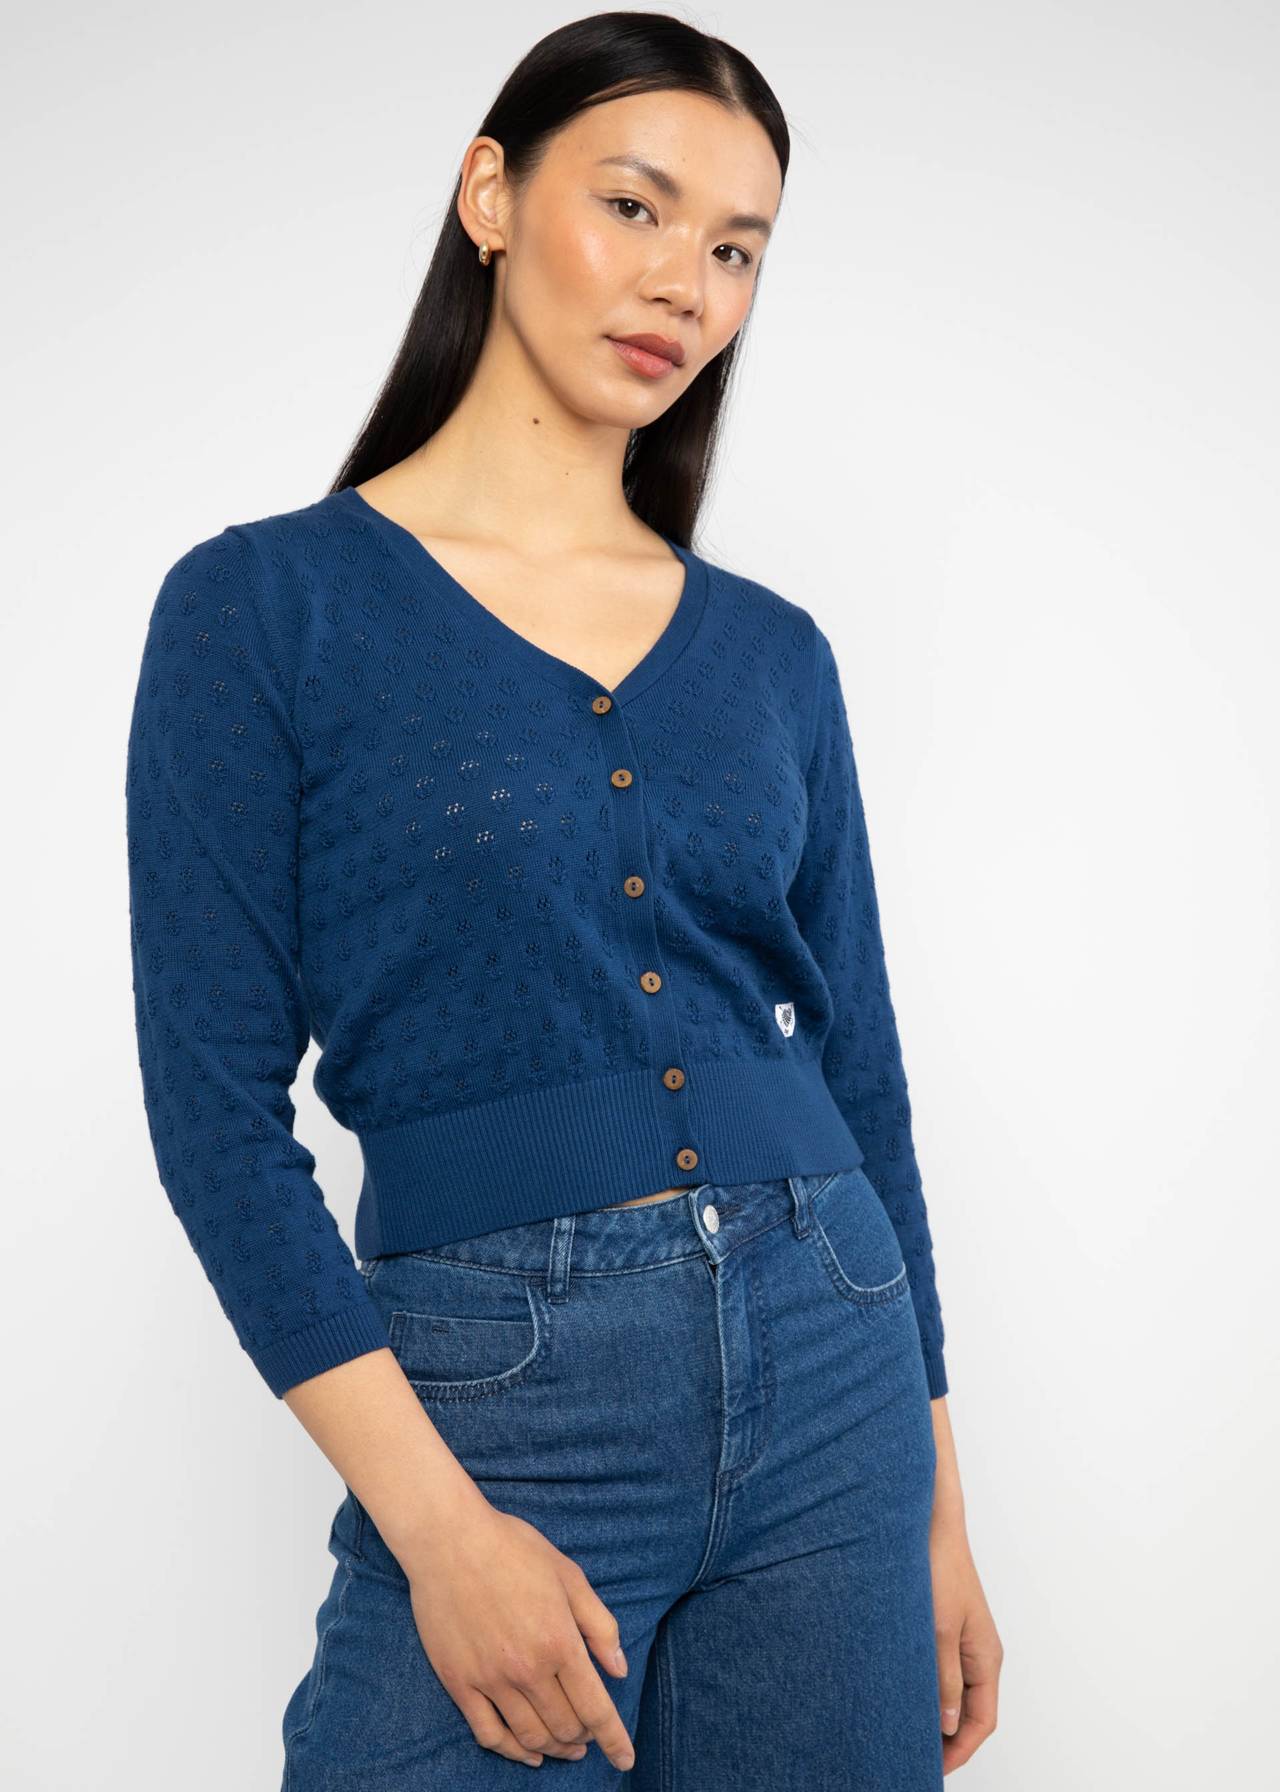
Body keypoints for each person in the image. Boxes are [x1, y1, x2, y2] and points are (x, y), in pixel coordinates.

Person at [123, 12, 1002, 1787]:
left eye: (737, 249)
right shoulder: (265, 612)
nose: (686, 282)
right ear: (491, 196)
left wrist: (939, 1507)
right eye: (636, 206)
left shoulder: (774, 654)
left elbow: (863, 1078)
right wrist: (441, 1535)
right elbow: (215, 1116)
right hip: (498, 1396)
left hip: (835, 1366)